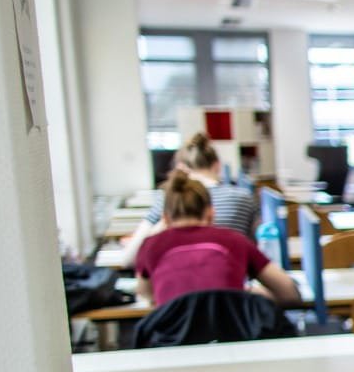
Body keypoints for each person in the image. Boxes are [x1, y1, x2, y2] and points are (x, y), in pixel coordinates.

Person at [134, 169, 300, 307]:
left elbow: (147, 294)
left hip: (173, 335)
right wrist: (246, 292)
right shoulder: (234, 240)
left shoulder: (150, 245)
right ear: (211, 213)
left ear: (165, 218)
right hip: (231, 333)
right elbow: (288, 292)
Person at [119, 132, 258, 266]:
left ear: (181, 168)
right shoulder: (244, 197)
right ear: (217, 165)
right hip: (231, 278)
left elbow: (128, 259)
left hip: (177, 278)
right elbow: (257, 253)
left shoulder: (170, 198)